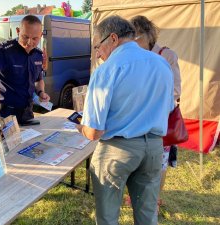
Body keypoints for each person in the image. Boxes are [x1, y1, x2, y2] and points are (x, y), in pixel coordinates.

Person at [76, 16, 174, 225]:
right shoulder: (162, 63)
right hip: (154, 148)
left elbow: (94, 132)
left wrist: (80, 127)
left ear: (112, 38)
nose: (98, 54)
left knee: (107, 217)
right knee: (147, 215)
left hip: (117, 150)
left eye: (97, 46)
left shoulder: (106, 70)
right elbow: (168, 107)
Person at [130, 15, 182, 210]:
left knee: (158, 164)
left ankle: (155, 199)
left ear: (146, 35)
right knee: (139, 162)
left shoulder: (167, 55)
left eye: (135, 38)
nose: (132, 43)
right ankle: (138, 195)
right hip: (137, 120)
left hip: (160, 121)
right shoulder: (133, 56)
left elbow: (176, 90)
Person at [0, 15, 50, 126]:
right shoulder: (3, 51)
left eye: (35, 38)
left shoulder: (38, 54)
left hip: (27, 112)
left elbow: (38, 79)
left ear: (40, 35)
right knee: (4, 142)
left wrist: (41, 92)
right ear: (18, 31)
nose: (29, 42)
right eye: (25, 37)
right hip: (4, 112)